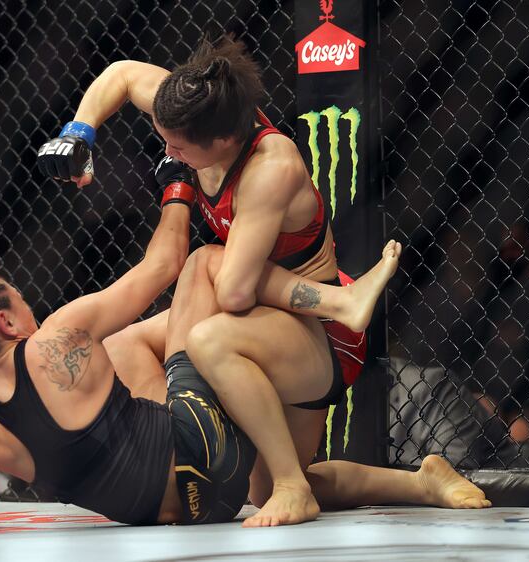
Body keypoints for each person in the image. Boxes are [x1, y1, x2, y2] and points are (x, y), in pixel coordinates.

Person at [0, 166, 487, 536]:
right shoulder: (57, 338)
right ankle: (333, 303)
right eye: (22, 305)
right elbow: (162, 264)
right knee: (204, 265)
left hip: (195, 505)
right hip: (204, 449)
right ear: (7, 321)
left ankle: (420, 482)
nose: (34, 312)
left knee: (136, 341)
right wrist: (178, 185)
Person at [36, 36, 376, 523]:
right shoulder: (197, 109)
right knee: (125, 344)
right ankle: (419, 483)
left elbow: (235, 291)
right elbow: (124, 72)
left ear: (221, 142)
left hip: (313, 331)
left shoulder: (269, 169)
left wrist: (176, 189)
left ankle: (263, 466)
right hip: (258, 315)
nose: (167, 151)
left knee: (205, 269)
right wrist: (79, 132)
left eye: (177, 146)